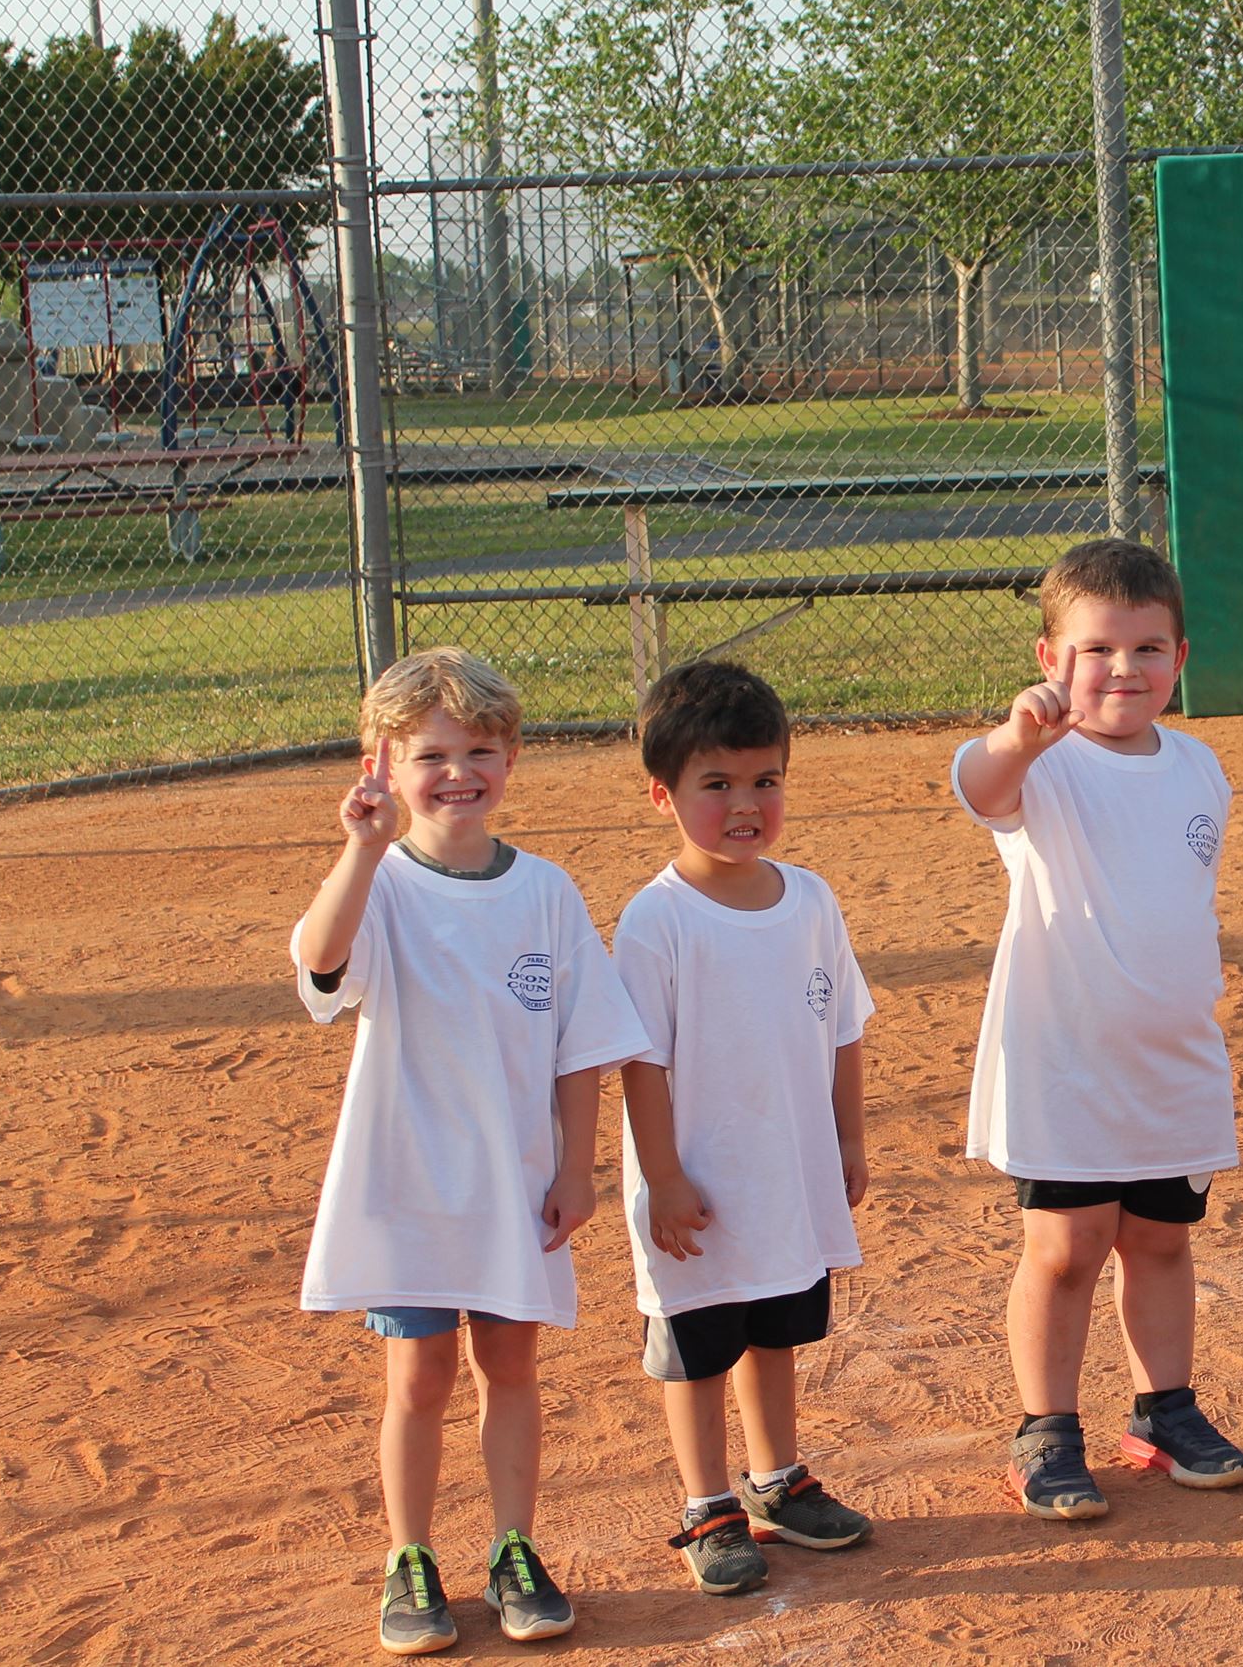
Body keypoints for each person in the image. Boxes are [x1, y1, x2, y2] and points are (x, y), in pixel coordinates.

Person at [291, 648, 648, 1656]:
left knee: (510, 1366)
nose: (458, 772)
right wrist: (360, 850)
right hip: (409, 1184)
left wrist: (577, 1166)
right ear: (386, 764)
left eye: (479, 749)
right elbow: (321, 965)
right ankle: (409, 1559)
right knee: (419, 1378)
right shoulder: (386, 885)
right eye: (432, 753)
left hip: (513, 1184)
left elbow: (582, 1043)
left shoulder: (543, 891)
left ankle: (512, 1546)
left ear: (510, 756)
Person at [951, 537, 1243, 1521]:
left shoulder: (1199, 767)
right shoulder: (1041, 765)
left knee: (1161, 1242)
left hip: (1169, 1058)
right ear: (1049, 658)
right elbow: (977, 785)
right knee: (1066, 1247)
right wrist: (1017, 737)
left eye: (1146, 647)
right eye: (1095, 648)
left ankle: (1164, 1409)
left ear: (1179, 658)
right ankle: (1045, 1428)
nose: (1121, 668)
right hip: (1066, 1061)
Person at [612, 660, 877, 1598]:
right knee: (696, 1345)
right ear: (663, 793)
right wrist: (663, 1179)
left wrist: (847, 1139)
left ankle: (777, 1478)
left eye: (765, 780)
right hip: (698, 1182)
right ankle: (707, 1503)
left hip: (788, 1171)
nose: (744, 804)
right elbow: (639, 1064)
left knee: (777, 1326)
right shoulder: (656, 921)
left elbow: (842, 1025)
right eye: (714, 784)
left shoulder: (810, 899)